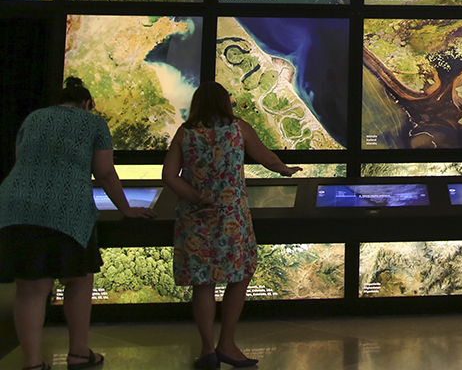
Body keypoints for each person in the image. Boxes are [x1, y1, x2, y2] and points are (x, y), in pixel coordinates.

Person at [0, 77, 155, 370]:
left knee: (31, 289)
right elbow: (105, 172)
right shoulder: (93, 123)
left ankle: (33, 364)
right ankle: (79, 354)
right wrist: (127, 209)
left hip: (14, 206)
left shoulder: (34, 118)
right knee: (79, 279)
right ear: (87, 104)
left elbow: (21, 158)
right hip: (67, 210)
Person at [162, 82, 301, 370]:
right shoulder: (238, 129)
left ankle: (207, 350)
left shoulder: (185, 133)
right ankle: (227, 342)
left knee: (203, 283)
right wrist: (285, 169)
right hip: (231, 218)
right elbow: (266, 157)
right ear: (225, 102)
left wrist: (196, 196)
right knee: (240, 273)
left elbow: (169, 176)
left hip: (195, 219)